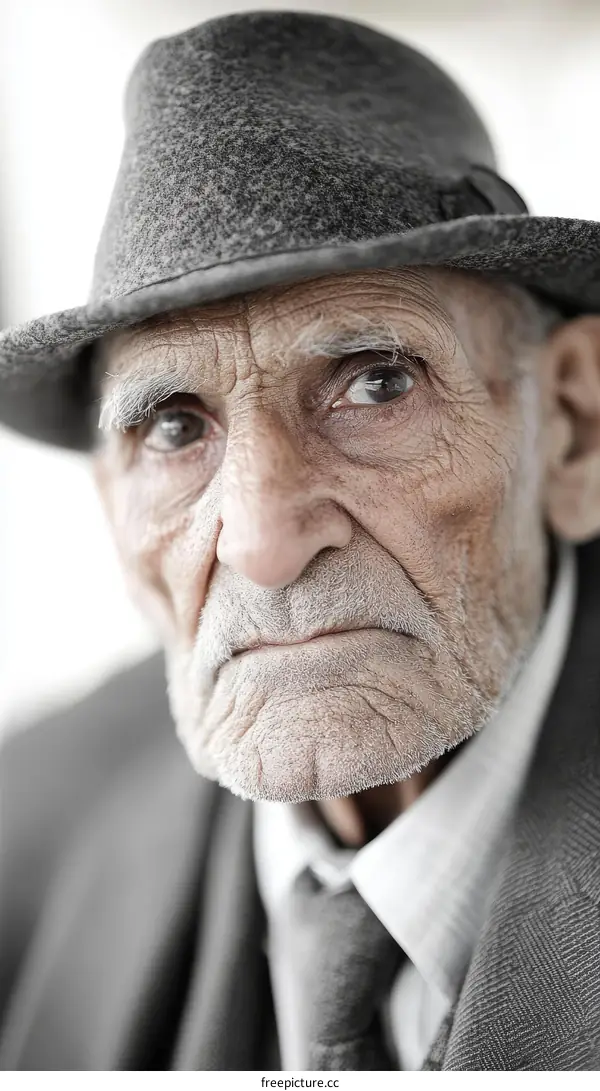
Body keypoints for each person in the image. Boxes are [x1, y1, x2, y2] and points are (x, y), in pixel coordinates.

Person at [1, 10, 599, 1072]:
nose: (267, 540)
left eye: (377, 382)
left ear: (571, 426)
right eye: (175, 425)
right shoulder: (24, 826)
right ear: (110, 499)